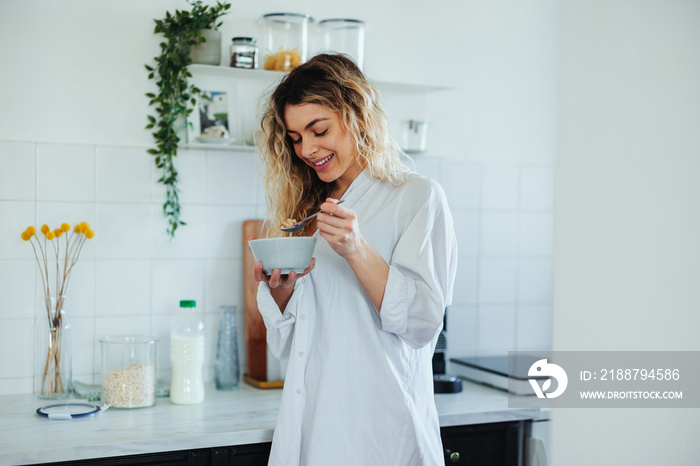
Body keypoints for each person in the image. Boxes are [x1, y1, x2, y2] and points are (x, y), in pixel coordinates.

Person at [253, 53, 458, 466]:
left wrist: (356, 248)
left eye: (319, 130)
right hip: (311, 426)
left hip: (379, 433)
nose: (307, 149)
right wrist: (283, 290)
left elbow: (423, 323)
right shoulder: (306, 208)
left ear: (356, 114)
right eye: (295, 138)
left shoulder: (416, 197)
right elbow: (294, 341)